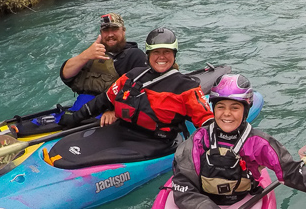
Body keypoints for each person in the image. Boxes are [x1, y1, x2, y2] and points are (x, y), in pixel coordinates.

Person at [170, 74, 306, 209]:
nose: (227, 114)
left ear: (245, 110)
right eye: (220, 107)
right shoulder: (198, 141)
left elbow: (291, 172)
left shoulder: (259, 143)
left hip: (242, 200)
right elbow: (183, 186)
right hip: (203, 204)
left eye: (235, 108)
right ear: (213, 109)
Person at [53, 27, 212, 168]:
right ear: (148, 54)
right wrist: (74, 118)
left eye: (167, 52)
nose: (161, 57)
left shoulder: (187, 88)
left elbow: (207, 122)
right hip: (120, 131)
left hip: (155, 142)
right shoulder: (133, 76)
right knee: (67, 149)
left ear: (174, 54)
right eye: (156, 52)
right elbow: (104, 100)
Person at [59, 13, 148, 96]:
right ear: (101, 33)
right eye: (106, 30)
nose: (110, 34)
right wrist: (85, 56)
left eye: (114, 29)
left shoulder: (134, 56)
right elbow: (66, 75)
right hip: (83, 104)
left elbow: (143, 93)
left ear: (123, 31)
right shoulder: (92, 53)